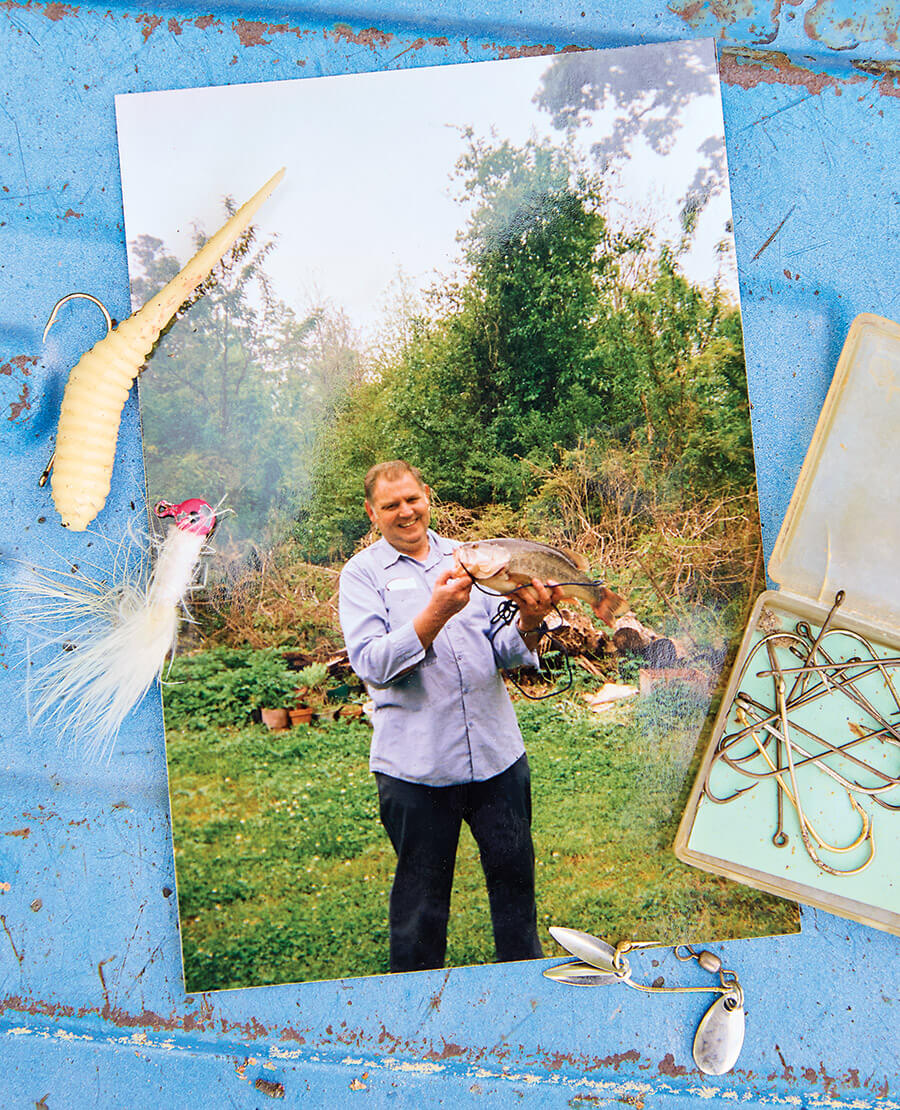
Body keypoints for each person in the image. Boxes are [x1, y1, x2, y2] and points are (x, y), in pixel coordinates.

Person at [338, 459, 562, 973]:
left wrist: (529, 620)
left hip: (497, 758)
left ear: (428, 495)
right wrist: (435, 612)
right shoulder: (362, 576)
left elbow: (501, 650)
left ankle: (526, 988)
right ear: (373, 514)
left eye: (411, 499)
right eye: (390, 505)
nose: (405, 511)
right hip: (417, 771)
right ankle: (417, 1015)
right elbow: (371, 665)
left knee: (515, 891)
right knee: (421, 908)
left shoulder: (473, 559)